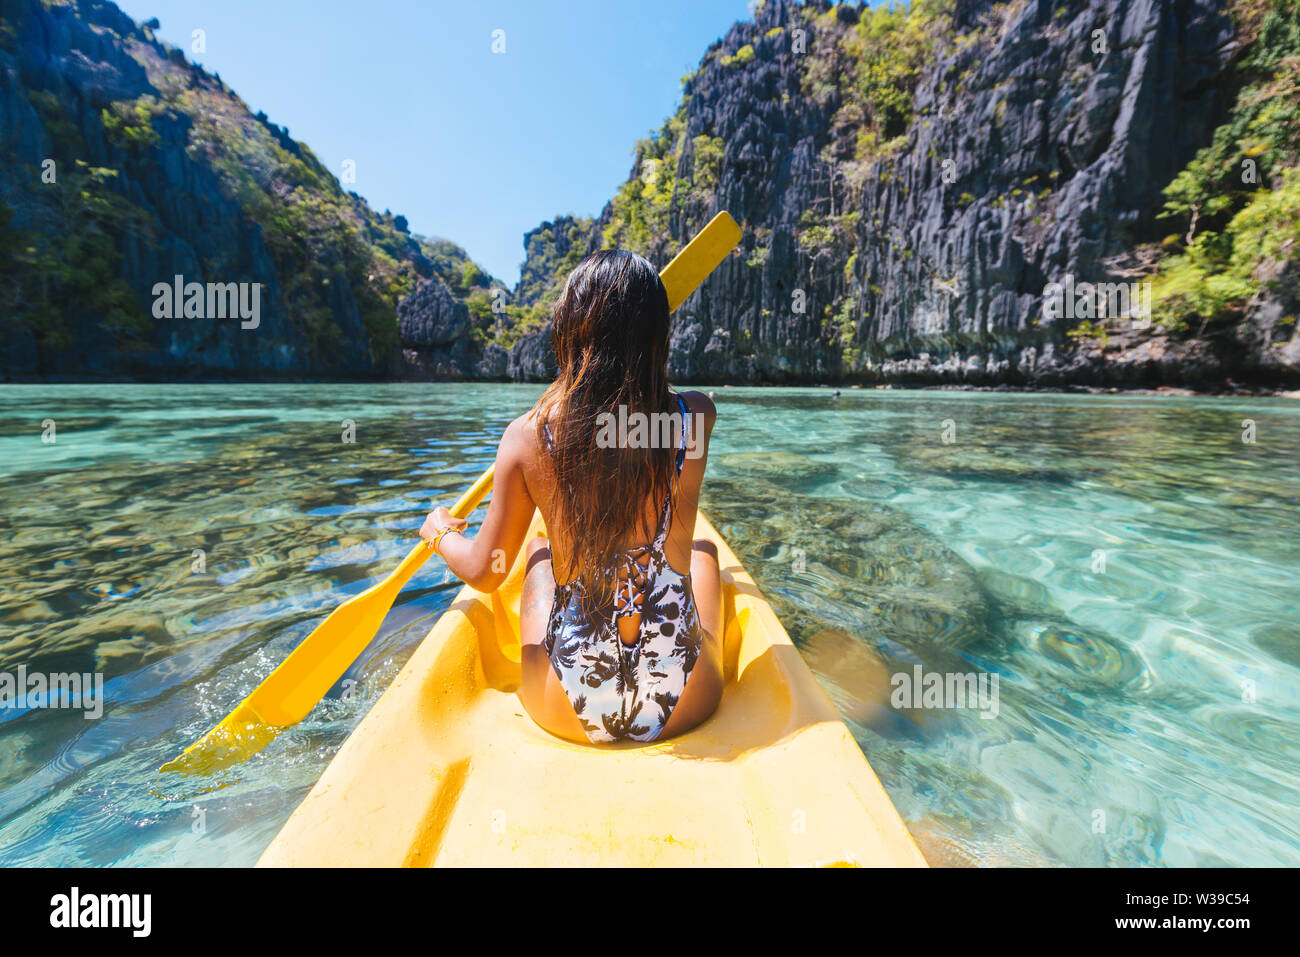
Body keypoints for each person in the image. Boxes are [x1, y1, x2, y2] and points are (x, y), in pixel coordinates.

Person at [419, 250, 722, 744]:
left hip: (570, 708)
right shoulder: (696, 418)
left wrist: (440, 532)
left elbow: (485, 572)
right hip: (688, 700)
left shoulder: (527, 438)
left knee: (539, 551)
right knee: (705, 557)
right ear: (660, 339)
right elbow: (625, 426)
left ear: (566, 335)